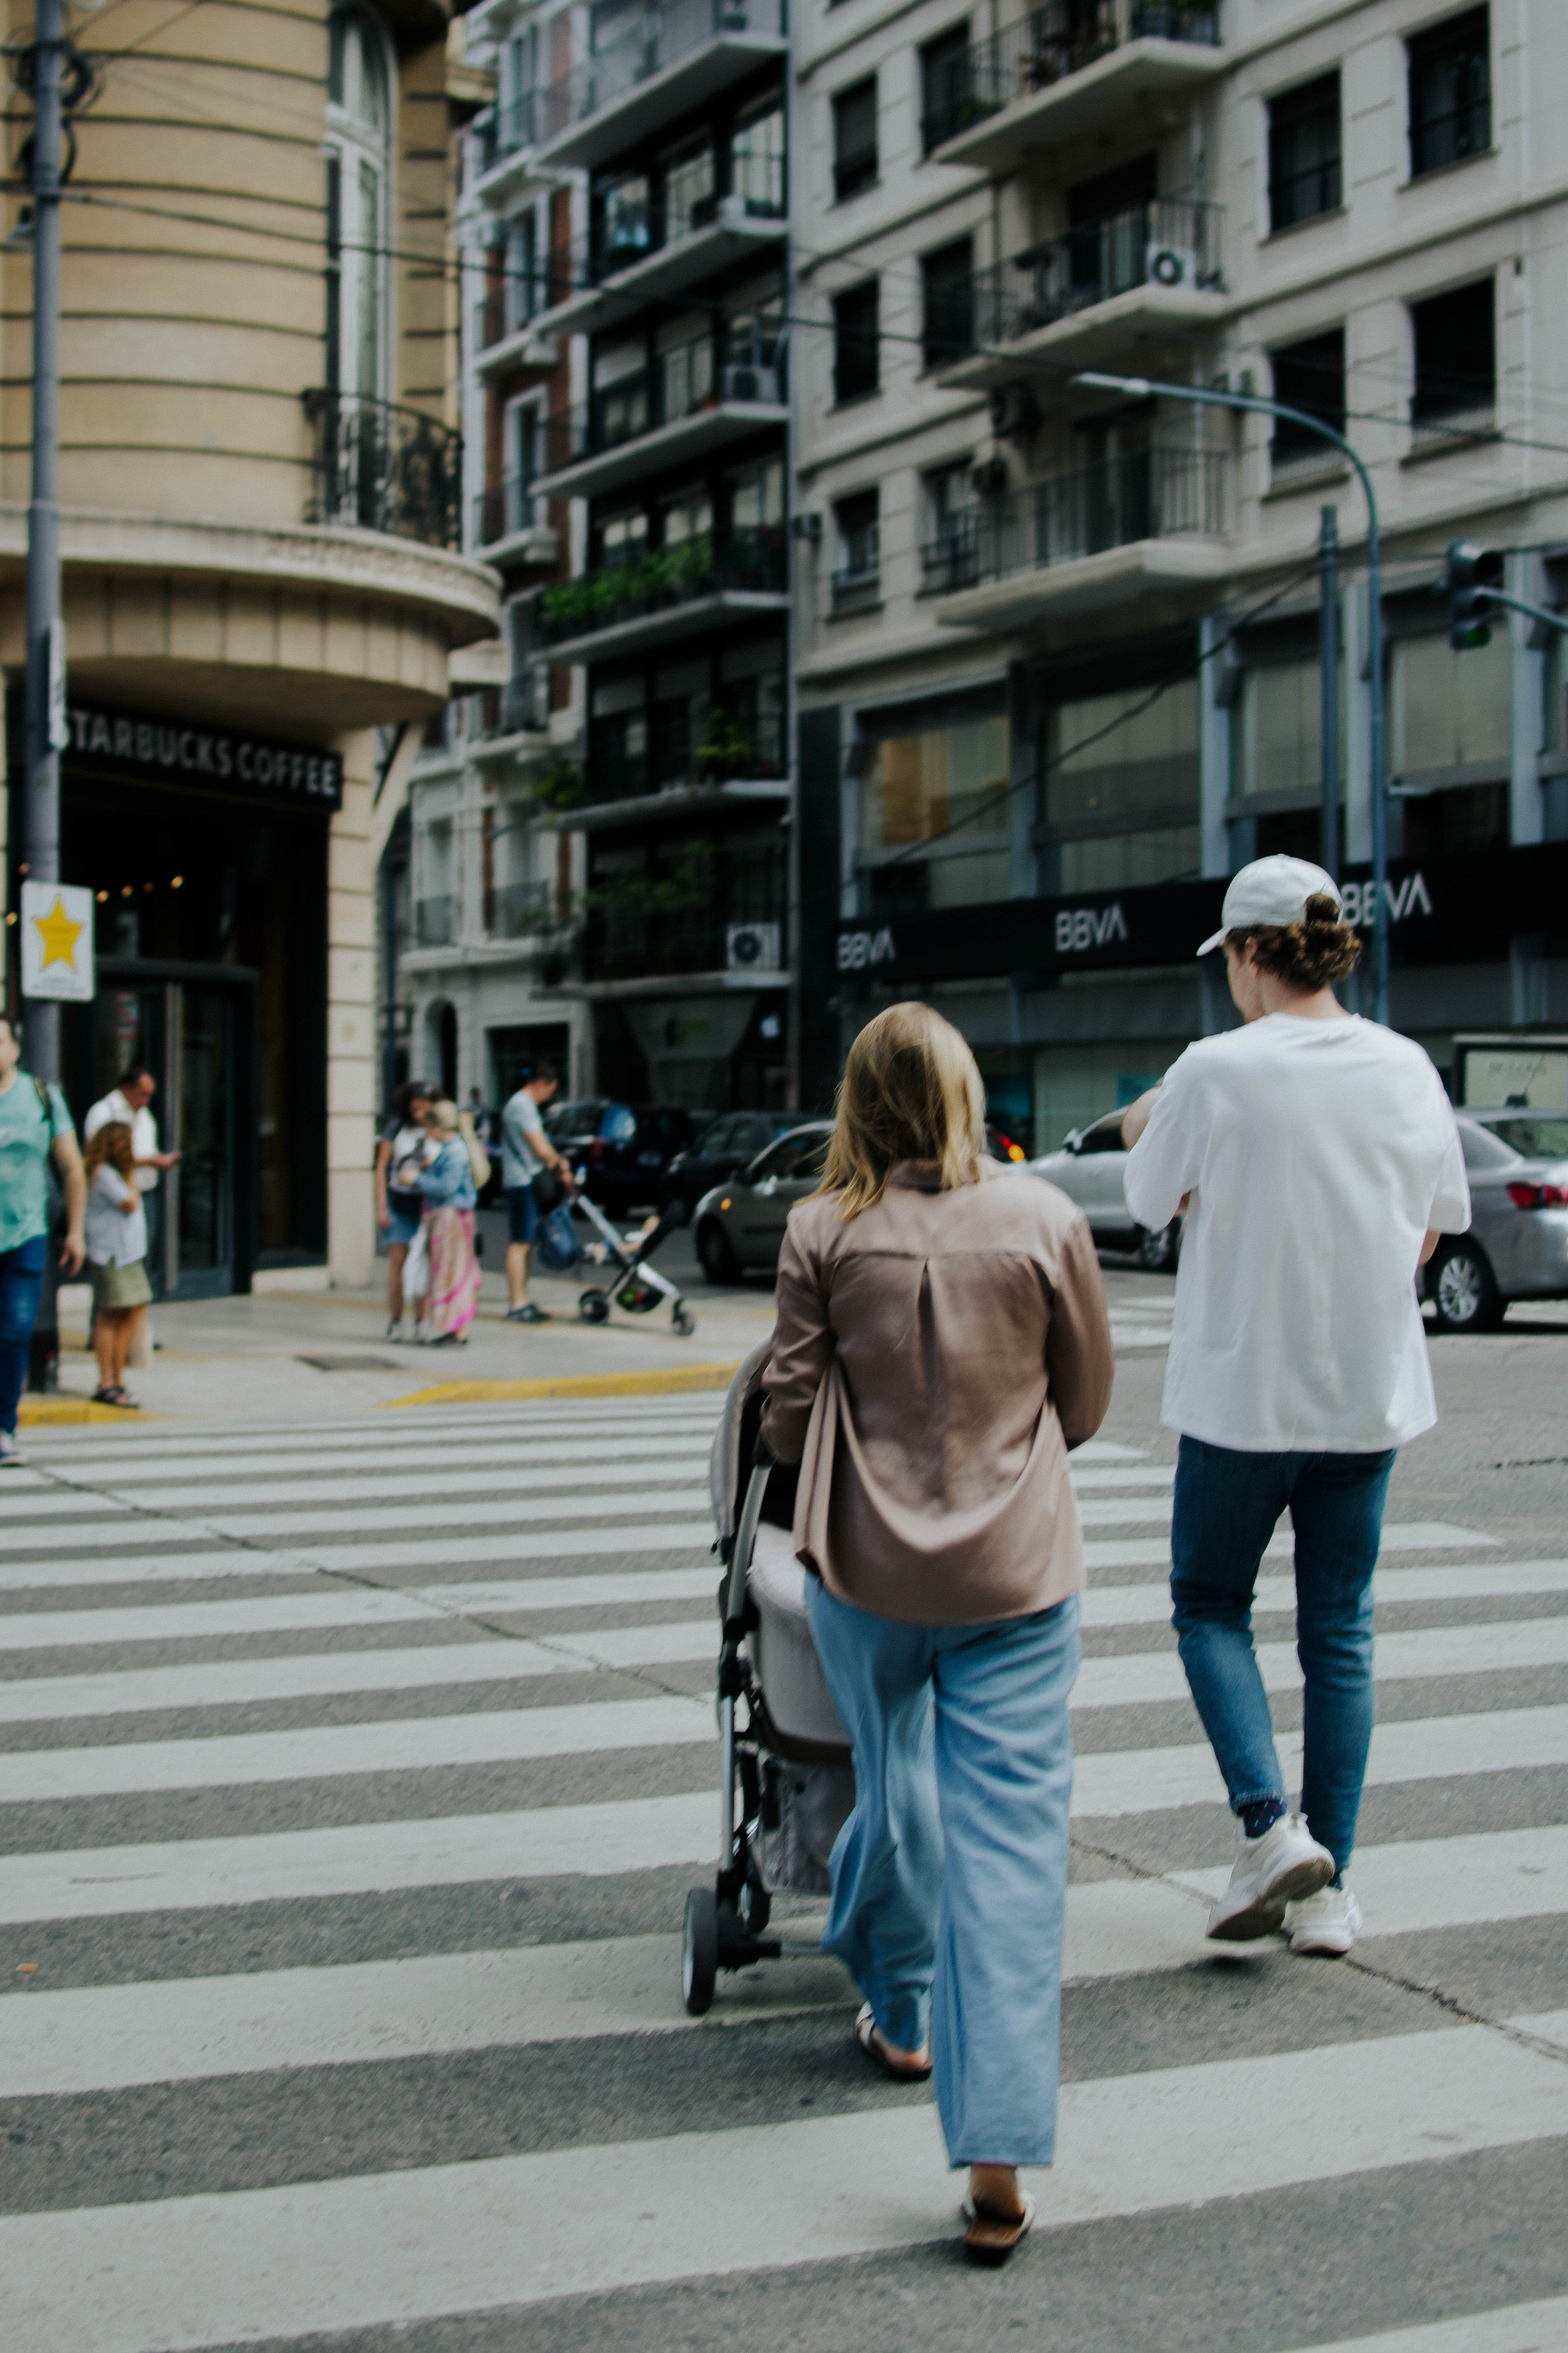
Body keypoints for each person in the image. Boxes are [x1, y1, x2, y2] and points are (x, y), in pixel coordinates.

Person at [760, 1002, 1114, 2264]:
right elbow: (1082, 1400)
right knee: (1011, 1853)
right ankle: (997, 2160)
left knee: (891, 1777)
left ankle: (895, 1996)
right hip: (1016, 1577)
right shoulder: (1044, 1219)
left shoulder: (821, 1228)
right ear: (966, 1099)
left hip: (862, 1573)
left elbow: (788, 1416)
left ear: (856, 1104)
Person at [1122, 856, 1470, 1958]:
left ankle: (1269, 1828)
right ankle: (1330, 1894)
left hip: (1241, 1398)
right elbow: (1432, 1227)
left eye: (1226, 957)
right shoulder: (1409, 1068)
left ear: (1251, 952)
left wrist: (1148, 1123)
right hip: (1365, 1398)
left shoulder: (1213, 1070)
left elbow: (1148, 1200)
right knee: (1342, 1634)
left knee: (1211, 1605)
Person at [0, 1011, 86, 1466]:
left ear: (15, 1048)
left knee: (14, 1331)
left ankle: (3, 1426)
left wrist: (75, 1230)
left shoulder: (41, 1096)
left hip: (25, 1234)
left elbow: (73, 1168)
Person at [82, 1121, 153, 1407]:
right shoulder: (104, 1175)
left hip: (128, 1255)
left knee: (127, 1315)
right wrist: (131, 1171)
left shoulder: (116, 1174)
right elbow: (130, 1203)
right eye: (127, 1145)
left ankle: (119, 1377)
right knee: (109, 1316)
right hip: (111, 1255)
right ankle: (107, 1381)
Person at [499, 1062, 575, 1325]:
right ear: (541, 1083)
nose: (549, 1097)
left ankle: (522, 1301)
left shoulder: (521, 1105)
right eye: (550, 1091)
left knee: (525, 1242)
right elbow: (541, 1149)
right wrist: (561, 1164)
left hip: (522, 1180)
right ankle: (517, 1304)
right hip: (522, 1181)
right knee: (520, 1242)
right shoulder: (521, 1105)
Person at [417, 1097, 480, 1346]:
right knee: (454, 1272)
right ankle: (453, 1328)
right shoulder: (454, 1149)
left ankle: (457, 1330)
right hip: (453, 1218)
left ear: (437, 1126)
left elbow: (446, 1187)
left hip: (450, 1218)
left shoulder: (455, 1151)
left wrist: (418, 1179)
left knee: (450, 1273)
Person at [375, 1080, 434, 1340]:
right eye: (414, 1108)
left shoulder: (437, 1129)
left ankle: (422, 1322)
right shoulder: (396, 1127)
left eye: (423, 1109)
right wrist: (381, 1206)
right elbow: (381, 1168)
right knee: (397, 1263)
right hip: (398, 1203)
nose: (418, 1114)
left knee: (424, 1265)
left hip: (427, 1207)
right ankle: (395, 1322)